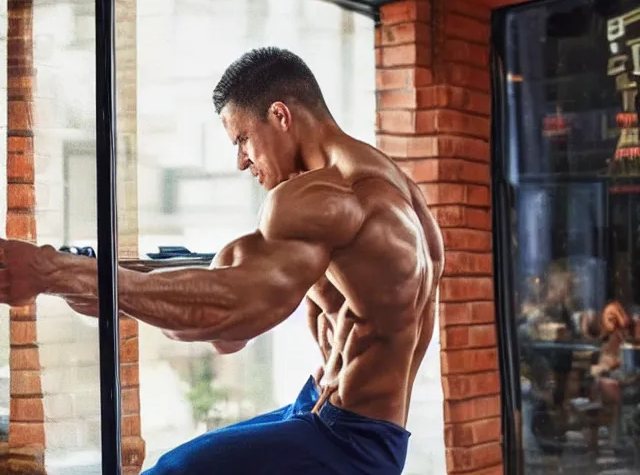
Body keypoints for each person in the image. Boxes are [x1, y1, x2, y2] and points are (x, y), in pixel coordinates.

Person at [0, 47, 444, 474]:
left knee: (172, 472)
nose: (240, 161)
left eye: (243, 140)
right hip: (329, 412)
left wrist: (51, 271)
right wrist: (95, 275)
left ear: (281, 115)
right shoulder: (391, 185)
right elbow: (232, 292)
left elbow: (225, 319)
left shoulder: (327, 199)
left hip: (349, 442)